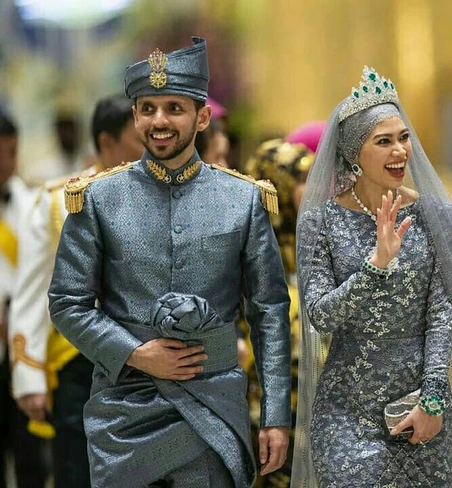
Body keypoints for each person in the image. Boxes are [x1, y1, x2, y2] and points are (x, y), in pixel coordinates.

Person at [47, 37, 292, 488]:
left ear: (202, 117)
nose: (158, 121)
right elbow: (67, 303)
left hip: (213, 403)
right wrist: (136, 353)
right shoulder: (98, 199)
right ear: (135, 116)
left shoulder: (242, 200)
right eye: (147, 109)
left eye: (174, 108)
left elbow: (269, 311)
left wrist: (276, 415)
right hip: (125, 411)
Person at [291, 66, 452, 487]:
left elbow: (442, 313)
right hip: (346, 412)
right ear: (354, 152)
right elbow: (320, 316)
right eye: (384, 141)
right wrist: (375, 266)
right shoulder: (320, 221)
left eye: (404, 138)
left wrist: (433, 400)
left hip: (422, 405)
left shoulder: (433, 214)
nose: (400, 151)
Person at [9, 94, 144, 488]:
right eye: (140, 140)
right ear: (107, 142)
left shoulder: (161, 196)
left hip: (146, 362)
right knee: (77, 471)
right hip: (78, 361)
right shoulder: (59, 201)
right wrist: (29, 376)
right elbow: (32, 293)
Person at [243, 139, 315, 487]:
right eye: (302, 180)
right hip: (263, 413)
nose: (315, 189)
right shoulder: (250, 250)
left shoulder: (317, 243)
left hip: (316, 412)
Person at [0, 107, 50, 488]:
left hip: (23, 346)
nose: (7, 162)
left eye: (12, 152)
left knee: (31, 455)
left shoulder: (33, 203)